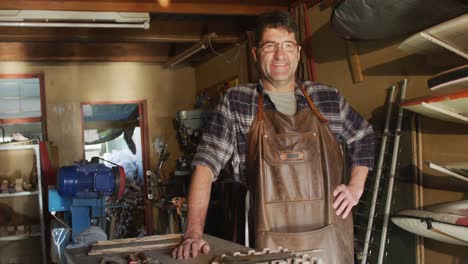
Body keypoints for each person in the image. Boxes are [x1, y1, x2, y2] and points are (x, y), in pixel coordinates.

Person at [172, 10, 374, 263]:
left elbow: (363, 135)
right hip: (268, 244)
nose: (280, 55)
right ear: (255, 54)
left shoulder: (328, 98)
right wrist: (193, 233)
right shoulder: (237, 102)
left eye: (288, 45)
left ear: (298, 52)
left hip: (331, 242)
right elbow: (205, 166)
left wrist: (356, 186)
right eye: (270, 46)